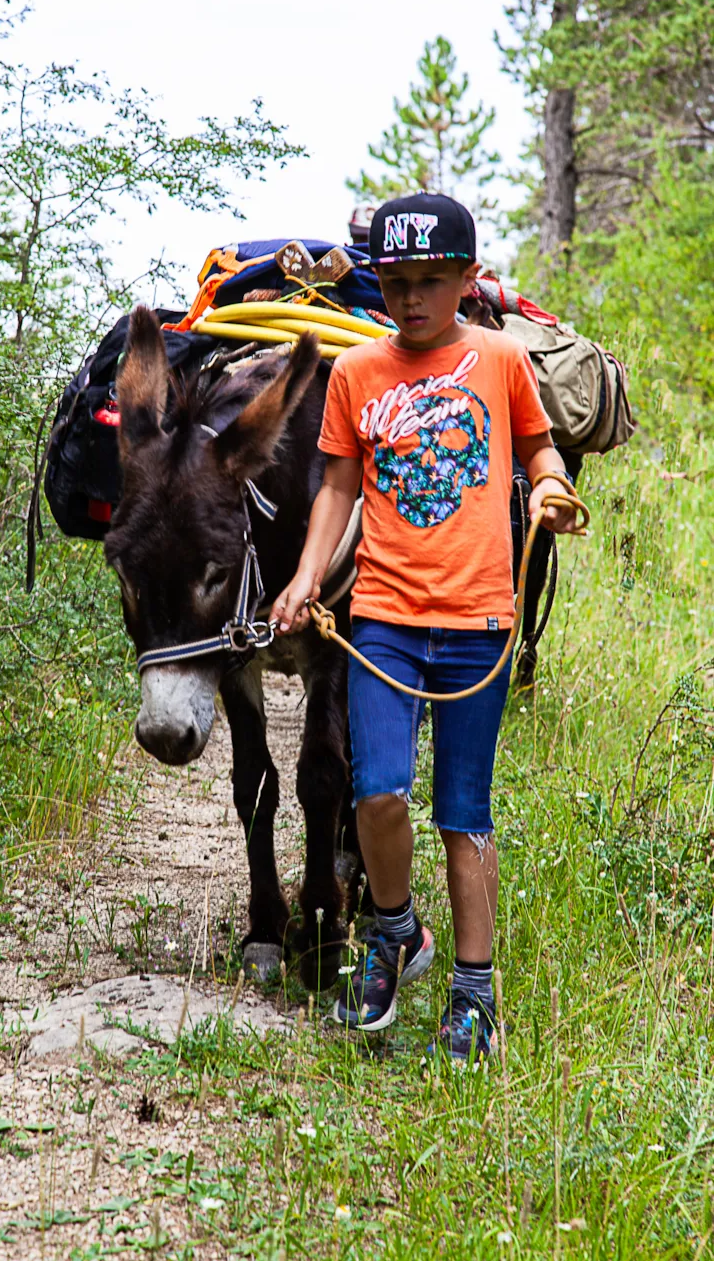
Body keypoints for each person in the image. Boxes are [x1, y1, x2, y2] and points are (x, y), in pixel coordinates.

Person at [272, 192, 579, 1065]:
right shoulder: (356, 372)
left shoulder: (501, 359)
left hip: (480, 620)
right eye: (396, 281)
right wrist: (305, 576)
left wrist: (549, 485)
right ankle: (396, 930)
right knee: (376, 792)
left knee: (463, 814)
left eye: (431, 281)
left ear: (467, 279)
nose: (412, 298)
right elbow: (338, 486)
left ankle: (475, 993)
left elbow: (537, 447)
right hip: (384, 620)